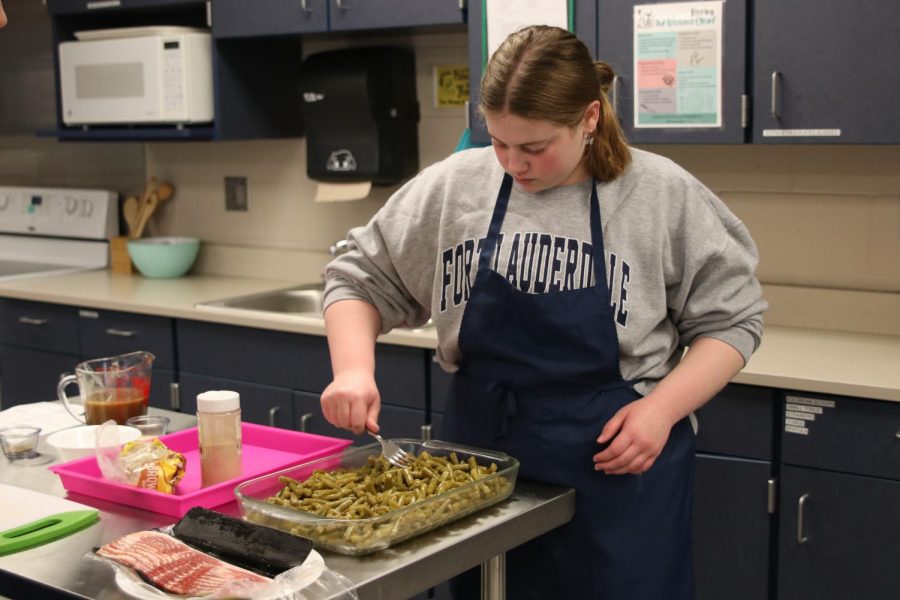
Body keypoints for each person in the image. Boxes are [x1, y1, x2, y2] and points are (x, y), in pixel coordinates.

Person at [321, 25, 766, 600]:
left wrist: (661, 410)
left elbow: (733, 322)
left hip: (616, 474)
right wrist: (353, 369)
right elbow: (359, 276)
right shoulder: (458, 186)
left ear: (588, 118)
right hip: (476, 470)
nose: (513, 164)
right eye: (500, 142)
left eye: (534, 148)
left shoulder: (659, 195)